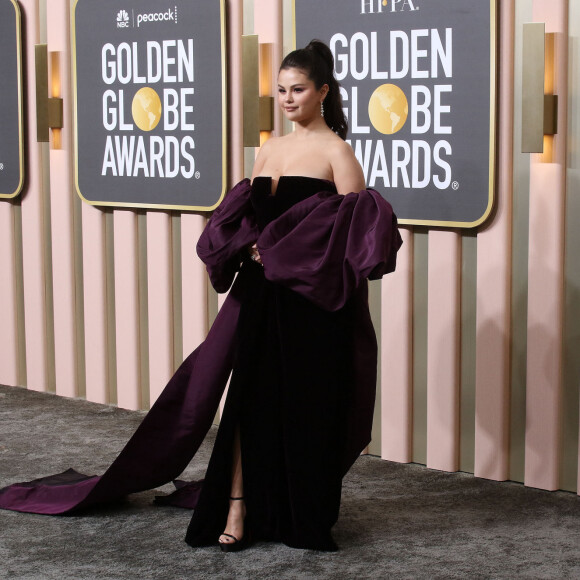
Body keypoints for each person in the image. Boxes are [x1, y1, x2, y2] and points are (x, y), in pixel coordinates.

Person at [0, 40, 401, 553]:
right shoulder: (269, 148)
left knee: (303, 406)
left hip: (308, 304)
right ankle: (236, 505)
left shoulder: (336, 151)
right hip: (259, 294)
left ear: (323, 91)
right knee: (246, 403)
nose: (287, 98)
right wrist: (245, 244)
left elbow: (354, 231)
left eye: (298, 89)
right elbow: (250, 217)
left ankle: (301, 515)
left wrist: (280, 250)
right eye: (280, 90)